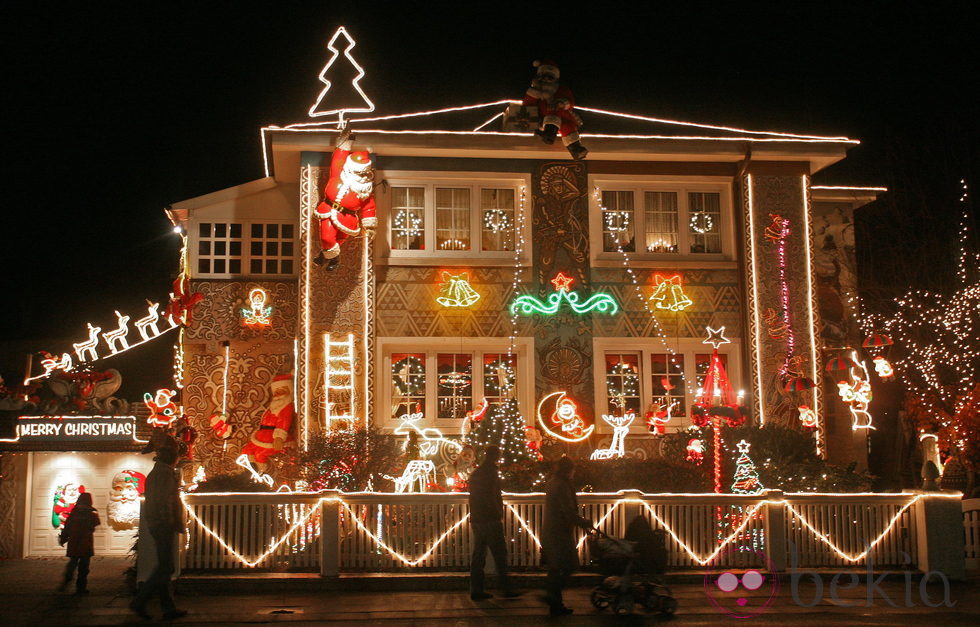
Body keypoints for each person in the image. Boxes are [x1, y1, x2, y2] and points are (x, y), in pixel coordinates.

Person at [130, 445, 187, 621]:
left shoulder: (159, 473)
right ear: (172, 457)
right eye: (177, 456)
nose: (178, 459)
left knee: (164, 566)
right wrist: (170, 521)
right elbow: (165, 500)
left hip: (159, 522)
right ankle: (140, 600)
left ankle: (168, 608)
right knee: (166, 567)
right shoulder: (164, 474)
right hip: (163, 524)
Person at [542, 456, 593, 616]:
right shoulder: (562, 486)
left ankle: (554, 602)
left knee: (555, 568)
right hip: (560, 531)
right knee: (569, 566)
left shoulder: (553, 483)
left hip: (552, 529)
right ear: (569, 470)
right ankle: (553, 598)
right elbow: (567, 510)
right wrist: (583, 522)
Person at [467, 446, 519, 600]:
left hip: (477, 518)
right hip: (489, 518)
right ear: (496, 456)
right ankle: (506, 588)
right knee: (499, 553)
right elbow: (491, 495)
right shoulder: (491, 473)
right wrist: (497, 512)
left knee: (479, 555)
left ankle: (476, 589)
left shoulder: (477, 473)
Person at [58, 491, 100, 594]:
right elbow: (96, 523)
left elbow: (67, 527)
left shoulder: (74, 512)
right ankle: (81, 588)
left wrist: (63, 538)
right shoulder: (91, 513)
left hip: (74, 543)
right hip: (86, 543)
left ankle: (65, 583)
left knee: (72, 563)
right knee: (84, 567)